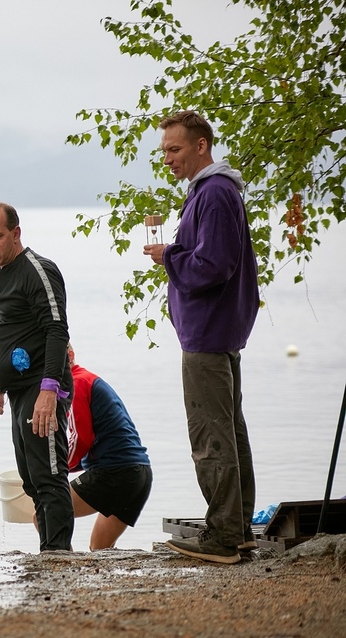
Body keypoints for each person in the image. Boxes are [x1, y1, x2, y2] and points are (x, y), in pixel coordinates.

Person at [143, 110, 259, 565]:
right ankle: (240, 529)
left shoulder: (212, 193)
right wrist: (174, 255)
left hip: (208, 333)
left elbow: (214, 266)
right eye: (164, 151)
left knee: (211, 437)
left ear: (201, 146)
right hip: (220, 330)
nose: (168, 158)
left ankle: (224, 537)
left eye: (174, 149)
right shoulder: (216, 191)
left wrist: (169, 255)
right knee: (231, 433)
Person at [0, 201, 74, 552]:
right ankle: (49, 549)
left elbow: (56, 329)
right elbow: (7, 330)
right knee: (31, 480)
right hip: (18, 389)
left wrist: (49, 390)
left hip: (43, 385)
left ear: (16, 233)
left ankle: (59, 555)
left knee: (48, 475)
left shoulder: (38, 270)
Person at [64, 345, 152, 550]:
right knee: (100, 549)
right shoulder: (89, 379)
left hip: (115, 472)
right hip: (140, 473)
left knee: (45, 514)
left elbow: (81, 439)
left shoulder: (77, 383)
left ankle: (66, 574)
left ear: (70, 356)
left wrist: (54, 469)